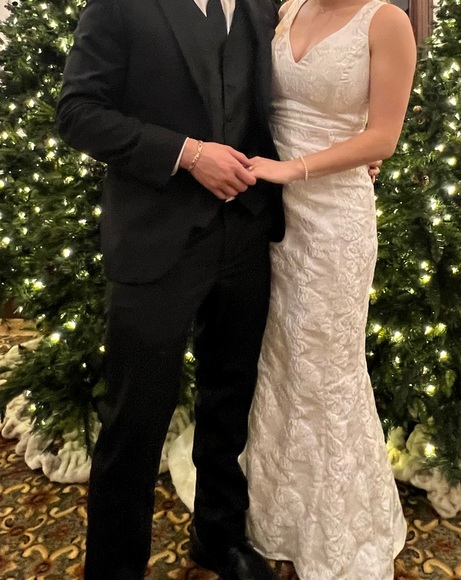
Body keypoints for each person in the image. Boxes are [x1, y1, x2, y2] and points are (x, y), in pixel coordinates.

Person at [55, 0, 285, 578]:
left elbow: (278, 108)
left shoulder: (264, 6)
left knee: (230, 400)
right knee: (134, 417)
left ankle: (218, 536)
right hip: (155, 239)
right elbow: (77, 112)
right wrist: (187, 153)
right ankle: (115, 568)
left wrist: (345, 158)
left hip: (247, 231)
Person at [243, 0, 417, 578]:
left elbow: (383, 138)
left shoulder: (386, 21)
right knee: (280, 358)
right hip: (269, 213)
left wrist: (293, 169)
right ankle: (275, 507)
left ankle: (336, 520)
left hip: (334, 217)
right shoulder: (287, 7)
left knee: (327, 365)